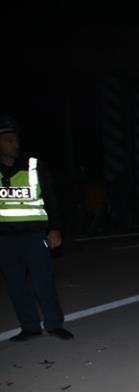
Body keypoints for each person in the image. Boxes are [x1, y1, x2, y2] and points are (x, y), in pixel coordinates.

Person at [0, 115, 74, 341]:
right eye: (9, 141)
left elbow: (52, 199)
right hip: (5, 239)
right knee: (15, 285)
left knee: (43, 283)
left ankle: (54, 324)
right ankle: (29, 327)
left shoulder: (33, 166)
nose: (15, 144)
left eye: (16, 140)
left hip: (34, 236)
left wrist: (55, 228)